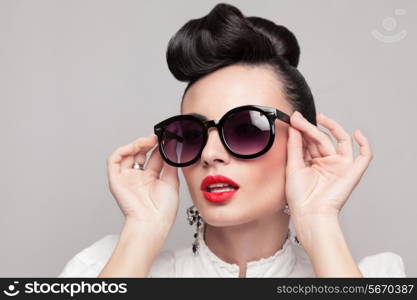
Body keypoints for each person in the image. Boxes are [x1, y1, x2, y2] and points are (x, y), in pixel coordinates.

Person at [58, 3, 406, 278]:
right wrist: (142, 230)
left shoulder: (369, 276)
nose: (209, 155)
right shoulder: (107, 268)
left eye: (245, 129)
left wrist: (319, 221)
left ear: (304, 143)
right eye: (192, 135)